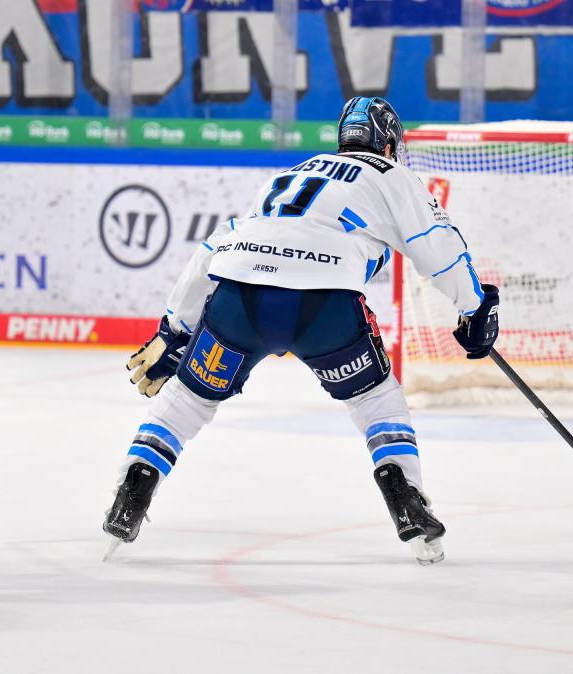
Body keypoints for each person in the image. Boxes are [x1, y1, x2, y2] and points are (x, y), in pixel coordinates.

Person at [104, 97, 499, 565]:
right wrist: (475, 306)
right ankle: (405, 497)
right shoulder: (392, 175)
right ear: (388, 142)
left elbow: (215, 245)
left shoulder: (289, 174)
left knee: (188, 400)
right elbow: (436, 247)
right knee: (375, 399)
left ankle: (136, 485)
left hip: (239, 301)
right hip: (322, 308)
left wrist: (175, 329)